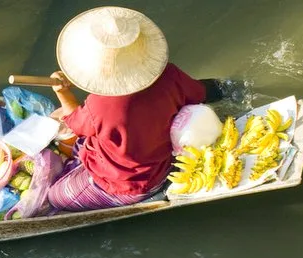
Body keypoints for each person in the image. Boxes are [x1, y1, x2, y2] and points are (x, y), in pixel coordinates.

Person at [47, 6, 222, 211]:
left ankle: (149, 196)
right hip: (161, 160)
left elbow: (75, 124)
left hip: (131, 184)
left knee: (54, 197)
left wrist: (62, 92)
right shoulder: (170, 75)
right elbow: (199, 92)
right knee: (83, 148)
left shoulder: (99, 105)